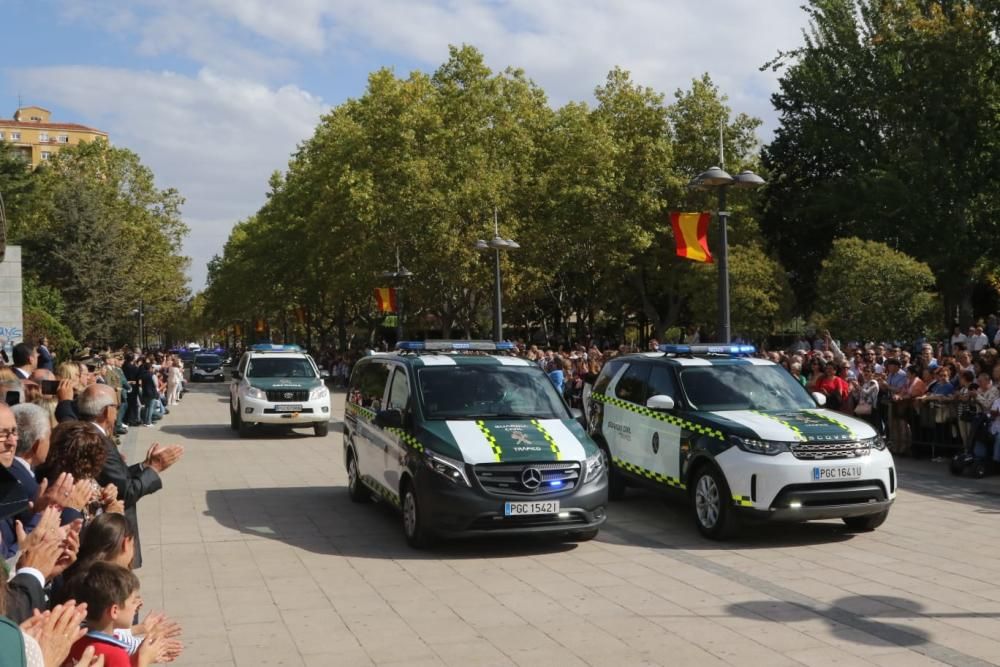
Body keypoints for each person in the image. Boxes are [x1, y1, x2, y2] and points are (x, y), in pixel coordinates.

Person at [82, 384, 183, 568]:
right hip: (109, 539)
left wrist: (145, 466)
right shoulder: (96, 440)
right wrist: (155, 468)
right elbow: (125, 492)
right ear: (107, 411)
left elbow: (119, 479)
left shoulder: (93, 434)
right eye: (117, 405)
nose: (118, 410)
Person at [65, 561, 170, 666]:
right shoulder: (115, 655)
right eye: (133, 601)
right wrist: (144, 660)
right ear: (114, 611)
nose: (137, 605)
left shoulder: (73, 640)